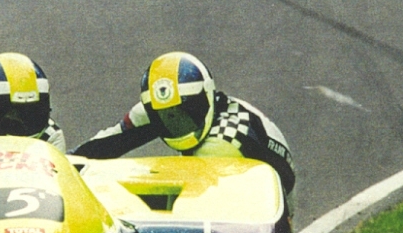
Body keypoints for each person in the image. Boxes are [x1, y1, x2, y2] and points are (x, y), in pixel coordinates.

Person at [71, 52, 295, 195]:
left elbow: (188, 198)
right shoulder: (159, 109)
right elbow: (101, 145)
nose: (177, 123)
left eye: (187, 112)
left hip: (268, 201)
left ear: (205, 96)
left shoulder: (222, 144)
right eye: (166, 115)